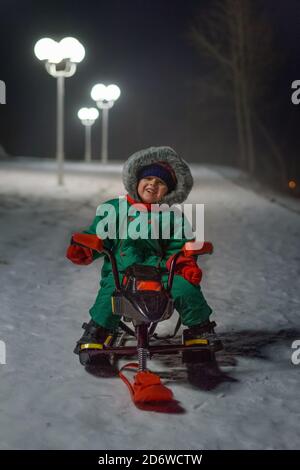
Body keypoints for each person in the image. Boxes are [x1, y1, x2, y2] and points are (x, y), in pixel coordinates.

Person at [66, 146, 222, 368]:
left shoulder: (172, 217)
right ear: (136, 182)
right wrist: (85, 247)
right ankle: (98, 330)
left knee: (185, 289)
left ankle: (200, 329)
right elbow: (99, 235)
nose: (152, 185)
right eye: (148, 178)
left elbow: (179, 247)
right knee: (111, 293)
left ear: (167, 191)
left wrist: (184, 264)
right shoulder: (116, 209)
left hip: (160, 273)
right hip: (122, 271)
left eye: (160, 183)